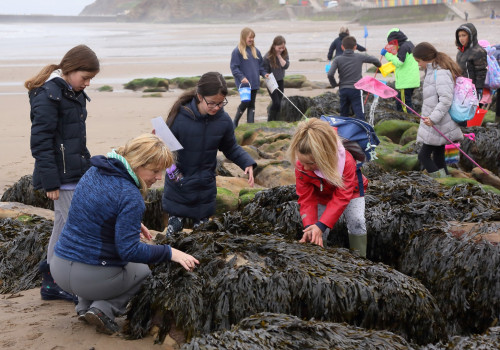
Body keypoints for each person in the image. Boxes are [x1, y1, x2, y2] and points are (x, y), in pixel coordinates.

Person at [50, 134, 200, 335]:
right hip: (87, 278)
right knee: (142, 272)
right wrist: (170, 252)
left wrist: (130, 221)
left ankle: (84, 307)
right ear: (138, 164)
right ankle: (104, 310)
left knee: (93, 254)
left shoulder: (94, 171)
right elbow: (129, 250)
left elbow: (91, 211)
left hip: (59, 268)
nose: (158, 177)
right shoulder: (130, 195)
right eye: (155, 171)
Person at [25, 44, 100, 303]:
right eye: (85, 77)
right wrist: (50, 181)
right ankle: (58, 281)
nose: (88, 83)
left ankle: (50, 280)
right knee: (70, 227)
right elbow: (41, 142)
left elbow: (76, 140)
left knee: (62, 224)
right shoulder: (49, 95)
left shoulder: (73, 93)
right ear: (70, 70)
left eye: (91, 79)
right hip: (60, 177)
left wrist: (90, 167)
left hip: (75, 172)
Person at [162, 72, 256, 236]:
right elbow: (165, 151)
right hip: (179, 185)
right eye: (211, 103)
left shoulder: (223, 121)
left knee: (202, 235)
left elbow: (231, 147)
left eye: (220, 103)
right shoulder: (179, 117)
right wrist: (176, 177)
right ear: (200, 96)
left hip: (205, 186)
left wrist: (247, 162)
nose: (216, 107)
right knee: (173, 233)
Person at [288, 118, 369, 257]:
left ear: (323, 157)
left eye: (311, 163)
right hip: (321, 193)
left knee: (357, 221)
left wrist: (322, 224)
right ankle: (320, 259)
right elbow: (306, 198)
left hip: (352, 191)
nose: (305, 167)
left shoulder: (346, 162)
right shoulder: (302, 166)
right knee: (317, 230)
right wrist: (309, 227)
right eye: (302, 162)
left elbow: (342, 196)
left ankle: (360, 259)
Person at [413, 42, 464, 178]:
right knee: (438, 157)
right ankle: (446, 181)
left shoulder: (440, 73)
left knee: (423, 156)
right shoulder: (431, 70)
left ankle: (441, 182)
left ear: (425, 58)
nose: (418, 64)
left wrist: (433, 118)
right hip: (436, 121)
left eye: (418, 61)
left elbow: (446, 99)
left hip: (438, 122)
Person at [328, 36, 381, 121]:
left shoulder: (337, 59)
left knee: (343, 114)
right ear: (355, 47)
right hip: (356, 89)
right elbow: (374, 59)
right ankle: (362, 131)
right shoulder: (359, 57)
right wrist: (379, 65)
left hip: (343, 89)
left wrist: (334, 84)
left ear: (342, 47)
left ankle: (343, 132)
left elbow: (330, 74)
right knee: (359, 113)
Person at [230, 27, 268, 127]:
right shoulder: (237, 51)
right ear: (243, 37)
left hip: (254, 82)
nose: (251, 39)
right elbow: (234, 68)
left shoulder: (256, 51)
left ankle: (250, 125)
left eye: (253, 38)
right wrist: (241, 77)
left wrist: (264, 74)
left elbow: (261, 67)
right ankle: (235, 121)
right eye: (249, 37)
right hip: (244, 83)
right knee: (245, 102)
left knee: (252, 104)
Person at [380, 28, 420, 113]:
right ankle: (409, 118)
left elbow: (399, 62)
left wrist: (386, 54)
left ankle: (409, 119)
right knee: (405, 101)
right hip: (411, 80)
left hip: (405, 82)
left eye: (392, 42)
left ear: (396, 39)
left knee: (404, 104)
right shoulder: (409, 44)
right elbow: (402, 59)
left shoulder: (404, 47)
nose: (392, 45)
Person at [455, 23, 487, 102]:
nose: (461, 38)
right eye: (459, 36)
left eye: (464, 35)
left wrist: (479, 89)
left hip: (472, 88)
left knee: (470, 112)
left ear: (471, 35)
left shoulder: (478, 51)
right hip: (461, 87)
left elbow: (481, 72)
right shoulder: (461, 51)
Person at [263, 35, 290, 122]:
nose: (281, 49)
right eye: (279, 48)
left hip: (280, 80)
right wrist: (266, 75)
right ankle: (270, 119)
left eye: (283, 47)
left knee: (280, 101)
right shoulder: (267, 56)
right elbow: (264, 70)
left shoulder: (284, 53)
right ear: (274, 46)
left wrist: (279, 56)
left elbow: (286, 66)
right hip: (271, 81)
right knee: (276, 102)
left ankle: (277, 120)